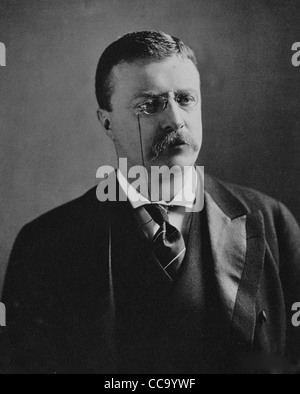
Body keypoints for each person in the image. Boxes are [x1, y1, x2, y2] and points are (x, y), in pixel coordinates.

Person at [1, 31, 300, 374]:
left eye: (186, 99)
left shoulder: (271, 223)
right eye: (149, 105)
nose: (175, 119)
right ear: (108, 123)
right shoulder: (45, 247)